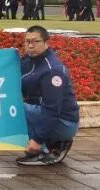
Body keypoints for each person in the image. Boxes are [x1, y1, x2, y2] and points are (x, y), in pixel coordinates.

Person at [16, 26, 79, 166]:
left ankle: (42, 151)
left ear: (46, 43)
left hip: (64, 122)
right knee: (12, 105)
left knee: (15, 109)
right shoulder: (28, 61)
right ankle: (53, 143)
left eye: (36, 41)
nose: (30, 45)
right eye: (27, 41)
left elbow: (52, 108)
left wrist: (37, 140)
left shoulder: (52, 71)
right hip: (43, 113)